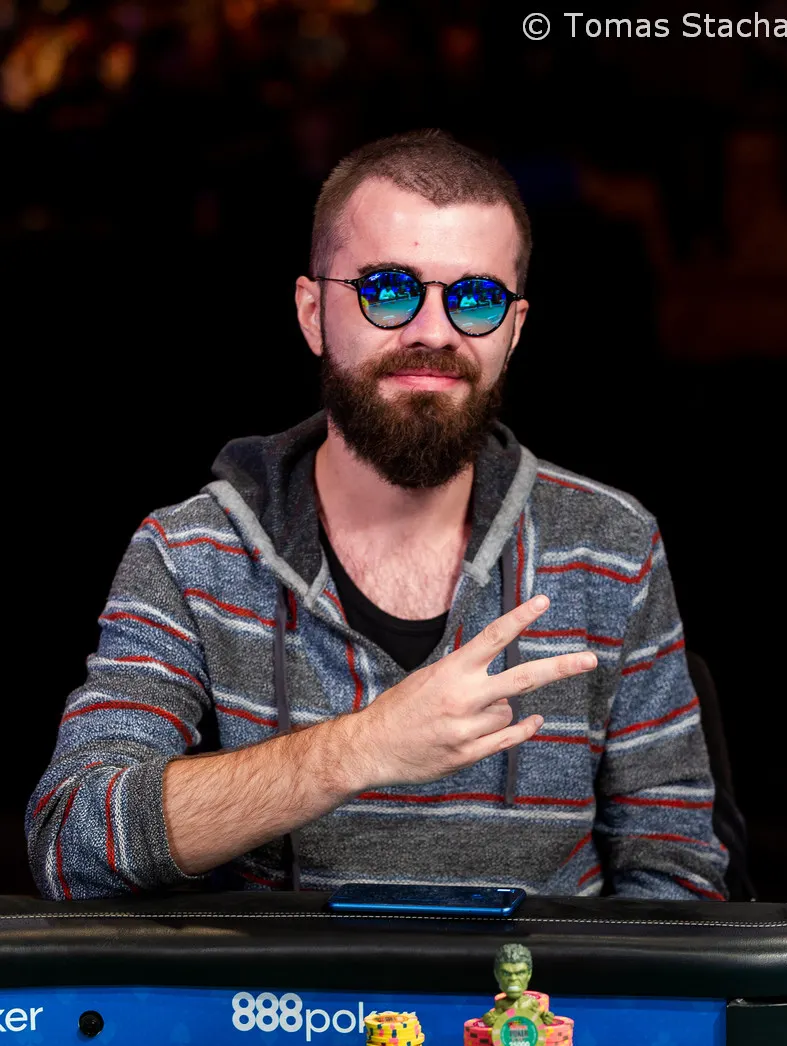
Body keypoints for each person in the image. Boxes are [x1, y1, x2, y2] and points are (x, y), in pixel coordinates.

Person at [26, 129, 729, 902]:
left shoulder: (611, 548)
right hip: (283, 985)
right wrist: (364, 747)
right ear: (312, 313)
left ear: (515, 331)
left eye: (476, 299)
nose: (433, 332)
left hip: (529, 987)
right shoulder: (192, 553)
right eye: (389, 290)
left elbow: (679, 883)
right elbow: (71, 842)